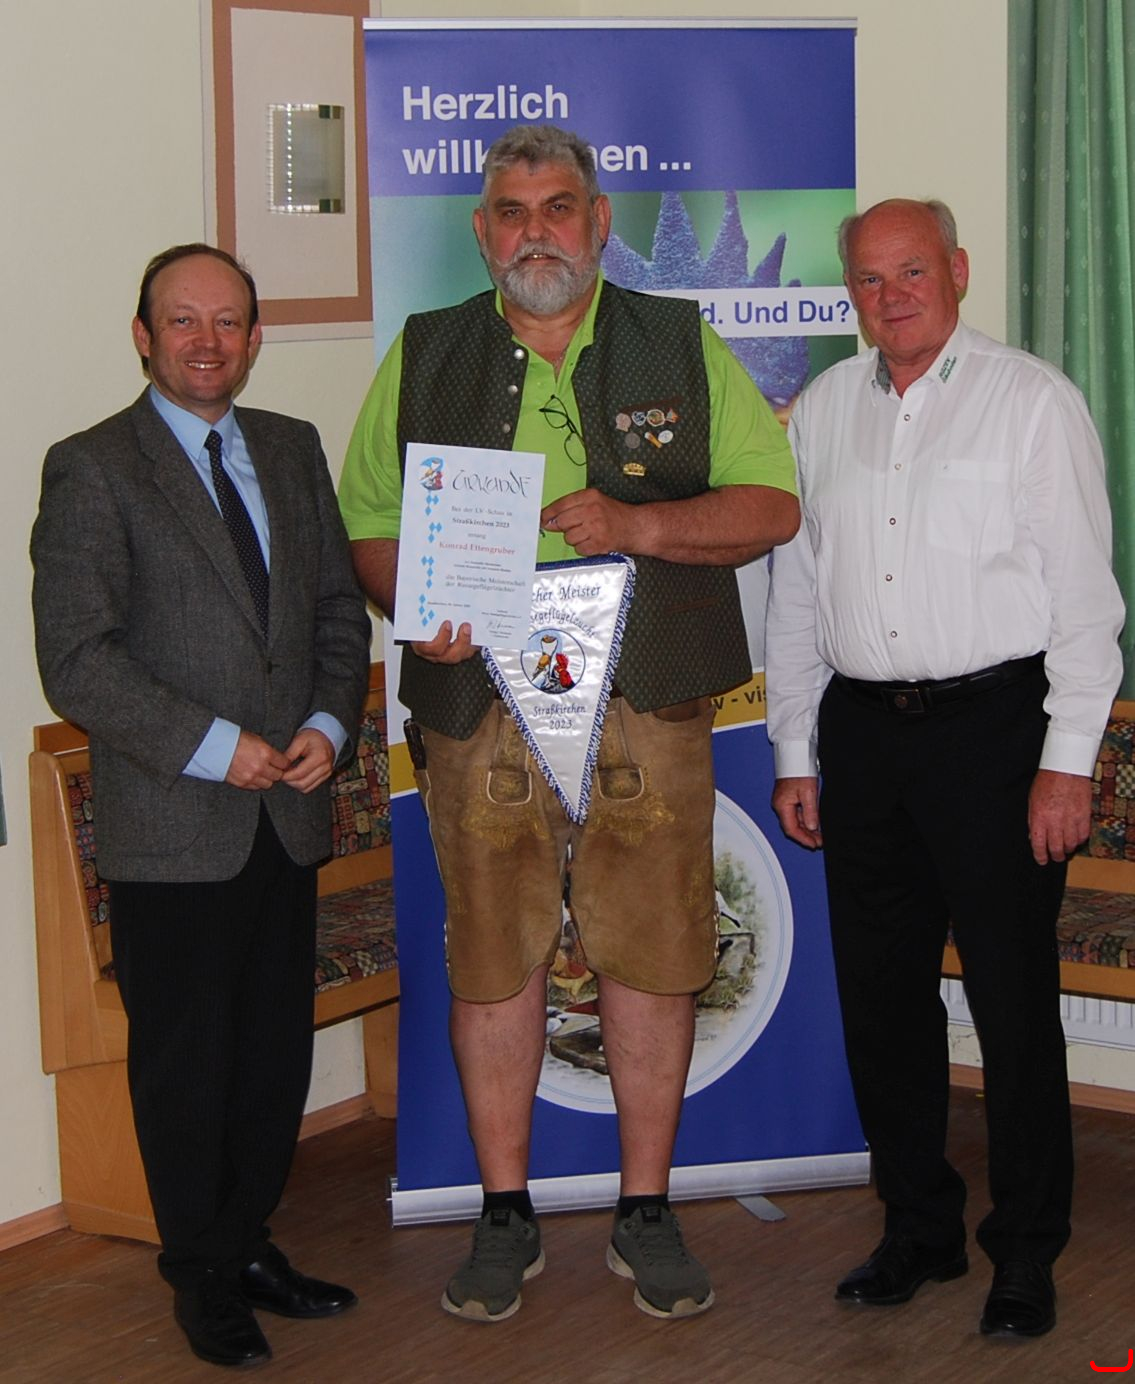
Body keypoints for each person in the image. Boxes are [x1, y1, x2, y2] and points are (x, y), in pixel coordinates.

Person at [340, 124, 799, 1322]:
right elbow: (369, 525)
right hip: (475, 703)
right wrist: (418, 605)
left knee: (651, 952)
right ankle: (505, 1211)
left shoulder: (679, 341)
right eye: (511, 211)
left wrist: (640, 526)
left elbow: (772, 504)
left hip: (648, 695)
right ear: (481, 232)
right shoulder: (424, 350)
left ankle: (645, 1209)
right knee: (494, 958)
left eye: (558, 207)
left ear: (598, 224)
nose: (534, 231)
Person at [764, 198, 1125, 1339]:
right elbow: (795, 596)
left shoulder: (1031, 401)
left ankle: (1024, 1249)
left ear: (958, 271)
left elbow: (1085, 604)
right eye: (869, 281)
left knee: (1012, 1006)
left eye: (911, 272)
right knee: (881, 1001)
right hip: (863, 736)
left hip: (995, 735)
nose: (891, 298)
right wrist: (793, 746)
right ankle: (917, 1227)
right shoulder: (824, 409)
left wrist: (1066, 761)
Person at [31, 244, 371, 1368]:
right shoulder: (93, 467)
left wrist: (328, 725)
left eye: (228, 321)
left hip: (288, 817)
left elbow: (336, 613)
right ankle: (201, 1274)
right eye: (183, 320)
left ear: (254, 337)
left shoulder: (291, 446)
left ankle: (249, 1242)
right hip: (175, 825)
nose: (207, 342)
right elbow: (78, 661)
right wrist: (220, 750)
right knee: (186, 1068)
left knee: (272, 1057)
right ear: (144, 336)